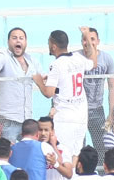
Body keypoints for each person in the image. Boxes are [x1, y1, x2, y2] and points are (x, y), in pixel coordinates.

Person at [32, 28, 97, 167]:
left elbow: (48, 93)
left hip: (65, 118)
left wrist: (38, 81)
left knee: (63, 154)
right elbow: (93, 61)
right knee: (75, 154)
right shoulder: (78, 58)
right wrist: (86, 34)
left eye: (49, 43)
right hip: (81, 116)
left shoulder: (56, 64)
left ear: (53, 45)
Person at [0, 27, 42, 143]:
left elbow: (44, 82)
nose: (18, 41)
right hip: (8, 121)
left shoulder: (33, 61)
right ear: (8, 41)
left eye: (21, 38)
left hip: (27, 121)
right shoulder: (2, 56)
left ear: (26, 42)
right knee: (8, 156)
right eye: (14, 38)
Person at [78, 26, 114, 153]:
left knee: (101, 146)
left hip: (97, 110)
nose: (88, 42)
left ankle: (101, 171)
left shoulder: (107, 58)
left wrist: (111, 113)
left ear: (98, 41)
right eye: (85, 39)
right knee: (79, 145)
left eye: (92, 39)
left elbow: (112, 86)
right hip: (79, 109)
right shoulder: (76, 57)